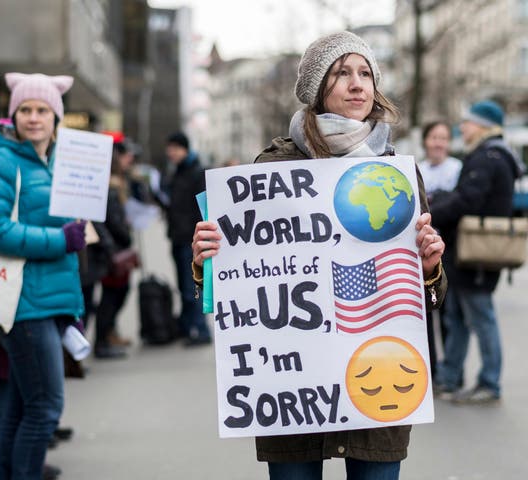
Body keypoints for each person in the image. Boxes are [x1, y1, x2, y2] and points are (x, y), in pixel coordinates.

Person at [190, 31, 447, 479]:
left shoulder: (396, 176)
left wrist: (429, 268)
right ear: (316, 89)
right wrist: (204, 261)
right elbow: (235, 286)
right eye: (341, 73)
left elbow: (432, 298)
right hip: (294, 394)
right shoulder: (272, 169)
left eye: (365, 73)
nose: (357, 84)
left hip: (377, 389)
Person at [0, 72, 86, 479]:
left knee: (22, 405)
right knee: (45, 408)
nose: (34, 117)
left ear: (57, 116)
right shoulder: (1, 160)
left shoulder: (60, 160)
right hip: (22, 303)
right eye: (25, 109)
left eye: (42, 109)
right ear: (13, 115)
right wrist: (60, 239)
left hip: (49, 297)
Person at [431, 100, 522, 404]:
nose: (463, 127)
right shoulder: (492, 155)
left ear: (483, 125)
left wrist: (432, 213)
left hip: (476, 255)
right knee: (456, 317)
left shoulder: (488, 157)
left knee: (480, 319)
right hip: (467, 253)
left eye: (468, 122)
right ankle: (450, 377)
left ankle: (488, 382)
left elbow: (467, 200)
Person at [81, 134, 137, 358]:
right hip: (100, 252)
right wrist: (114, 243)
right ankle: (98, 343)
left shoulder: (103, 186)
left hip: (97, 251)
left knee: (94, 299)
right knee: (98, 298)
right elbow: (108, 222)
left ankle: (95, 342)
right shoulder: (108, 188)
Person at [418, 121, 462, 376]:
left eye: (443, 138)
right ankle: (430, 369)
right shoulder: (419, 169)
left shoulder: (457, 168)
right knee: (426, 315)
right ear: (425, 141)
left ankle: (449, 371)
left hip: (449, 253)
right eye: (434, 137)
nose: (438, 142)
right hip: (423, 254)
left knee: (447, 316)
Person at [164, 131, 211, 346]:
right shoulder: (177, 172)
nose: (170, 153)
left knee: (193, 286)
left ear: (184, 149)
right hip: (177, 236)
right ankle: (186, 325)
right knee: (184, 286)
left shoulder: (196, 172)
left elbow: (202, 208)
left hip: (190, 240)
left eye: (174, 148)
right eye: (169, 148)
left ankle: (200, 330)